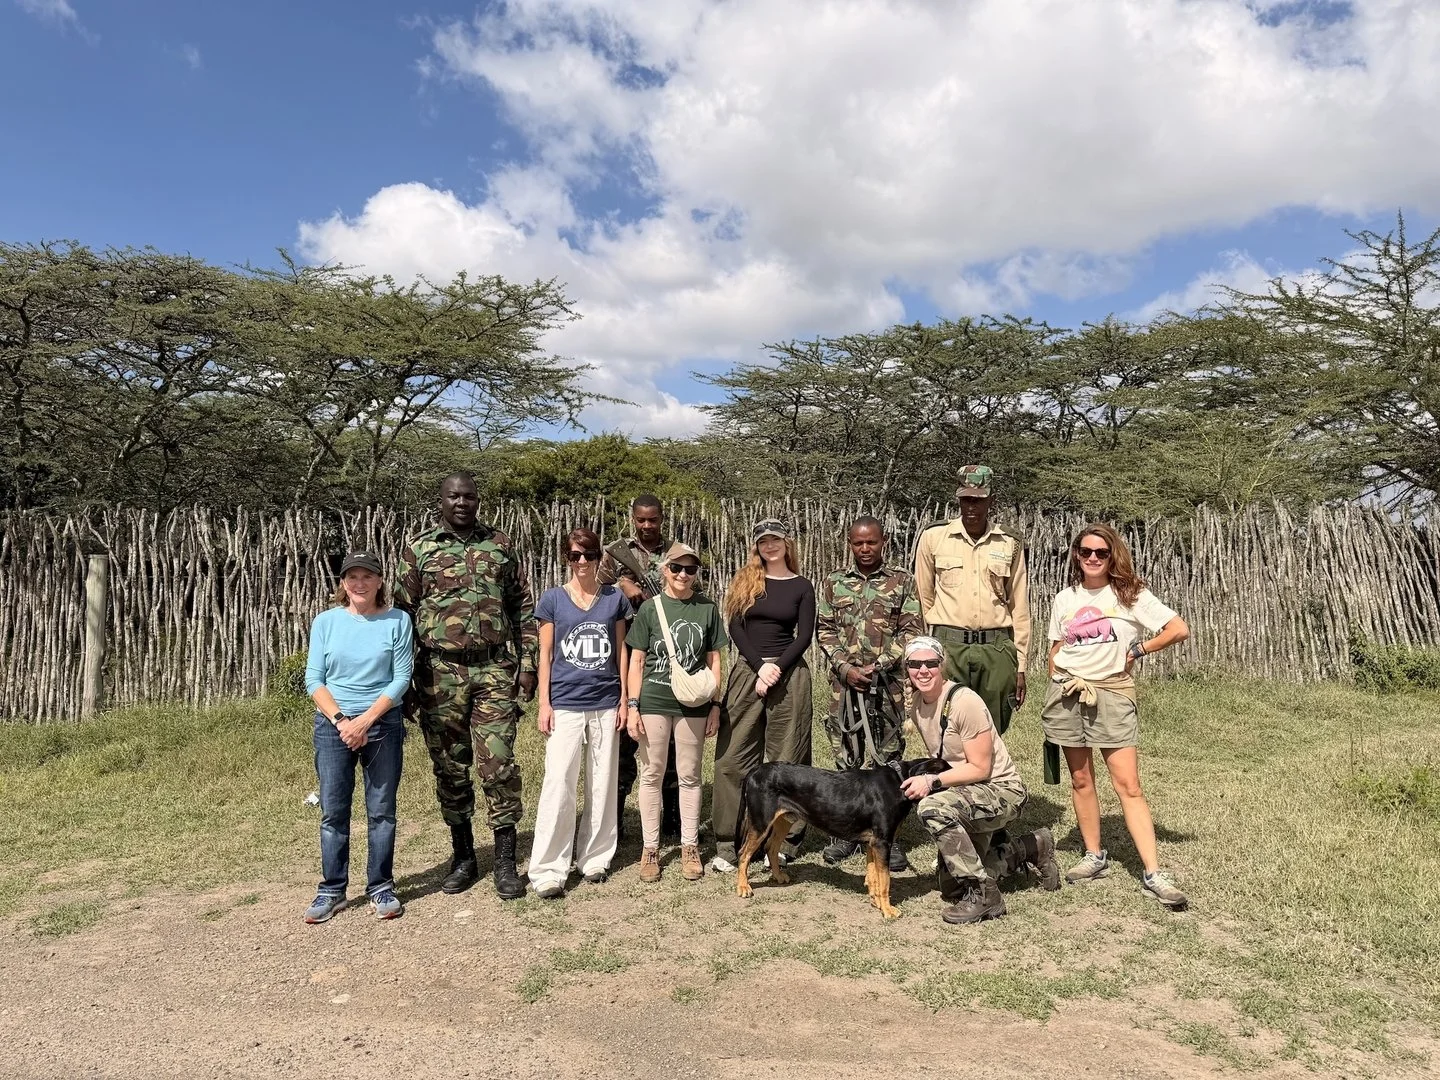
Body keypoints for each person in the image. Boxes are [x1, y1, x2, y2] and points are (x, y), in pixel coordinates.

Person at [393, 472, 538, 902]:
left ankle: (506, 861)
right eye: (454, 496)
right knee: (450, 768)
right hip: (439, 673)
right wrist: (406, 681)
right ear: (441, 500)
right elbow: (401, 617)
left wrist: (527, 665)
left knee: (499, 765)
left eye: (469, 496)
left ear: (478, 500)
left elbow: (522, 607)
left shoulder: (501, 545)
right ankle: (463, 857)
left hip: (495, 669)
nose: (462, 502)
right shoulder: (419, 549)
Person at [1043, 524, 1191, 909]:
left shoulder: (1131, 595)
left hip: (1112, 692)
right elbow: (1056, 646)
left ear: (1113, 556)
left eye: (1101, 553)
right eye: (1085, 551)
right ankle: (1094, 855)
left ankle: (1154, 872)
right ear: (1076, 554)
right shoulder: (1064, 598)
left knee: (1128, 784)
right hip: (1067, 692)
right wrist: (1055, 673)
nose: (1093, 558)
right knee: (1079, 778)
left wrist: (1139, 649)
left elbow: (1178, 629)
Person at [899, 636, 1060, 924]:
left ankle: (985, 896)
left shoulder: (964, 702)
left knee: (932, 808)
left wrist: (931, 782)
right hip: (966, 793)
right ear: (907, 668)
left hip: (1001, 790)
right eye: (914, 664)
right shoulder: (918, 706)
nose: (923, 670)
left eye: (931, 663)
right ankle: (1031, 847)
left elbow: (980, 769)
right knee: (950, 888)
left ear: (942, 666)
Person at [303, 551, 415, 923]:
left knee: (382, 811)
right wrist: (341, 721)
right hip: (333, 726)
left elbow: (401, 678)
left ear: (381, 581)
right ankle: (332, 889)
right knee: (333, 810)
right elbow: (314, 679)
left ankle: (381, 886)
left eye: (368, 576)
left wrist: (364, 721)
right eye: (352, 577)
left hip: (381, 724)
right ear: (343, 583)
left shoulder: (398, 621)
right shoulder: (326, 622)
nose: (360, 583)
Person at [815, 516, 924, 871]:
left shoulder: (902, 581)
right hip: (844, 689)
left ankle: (886, 838)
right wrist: (845, 667)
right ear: (849, 543)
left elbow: (912, 631)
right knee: (847, 761)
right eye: (858, 543)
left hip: (887, 687)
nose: (865, 549)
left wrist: (880, 665)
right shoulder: (835, 582)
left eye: (871, 543)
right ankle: (844, 835)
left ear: (883, 541)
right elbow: (825, 629)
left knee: (888, 763)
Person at [527, 528, 631, 899]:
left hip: (605, 701)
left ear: (599, 557)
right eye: (575, 556)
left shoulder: (614, 599)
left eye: (588, 555)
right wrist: (544, 703)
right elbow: (544, 655)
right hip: (566, 703)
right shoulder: (553, 599)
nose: (582, 562)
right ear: (566, 559)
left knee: (602, 783)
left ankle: (595, 857)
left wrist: (623, 699)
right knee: (559, 784)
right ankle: (548, 868)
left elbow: (621, 651)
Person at [710, 519, 816, 873]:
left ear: (787, 544)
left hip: (790, 674)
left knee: (788, 761)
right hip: (748, 672)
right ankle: (729, 841)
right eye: (763, 541)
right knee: (732, 759)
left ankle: (783, 841)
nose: (770, 546)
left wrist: (777, 669)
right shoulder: (745, 580)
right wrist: (759, 667)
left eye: (776, 540)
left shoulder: (802, 586)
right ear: (756, 546)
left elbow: (804, 636)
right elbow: (735, 627)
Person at [624, 542, 727, 883]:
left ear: (697, 573)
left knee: (689, 774)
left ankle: (689, 846)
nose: (683, 575)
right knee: (652, 773)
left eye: (690, 569)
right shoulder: (651, 610)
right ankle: (650, 848)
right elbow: (637, 661)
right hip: (654, 699)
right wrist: (633, 705)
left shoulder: (707, 609)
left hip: (693, 704)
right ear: (664, 570)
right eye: (677, 568)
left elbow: (715, 661)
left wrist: (715, 704)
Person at [914, 464, 1030, 736]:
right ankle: (952, 780)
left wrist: (1020, 665)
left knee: (992, 730)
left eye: (978, 500)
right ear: (958, 499)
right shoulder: (934, 537)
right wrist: (924, 654)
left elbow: (1020, 607)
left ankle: (988, 779)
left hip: (996, 649)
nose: (971, 507)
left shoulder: (1008, 542)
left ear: (991, 501)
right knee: (947, 727)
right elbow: (923, 599)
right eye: (966, 499)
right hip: (949, 647)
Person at [598, 494, 682, 840]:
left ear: (663, 518)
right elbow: (596, 592)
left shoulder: (678, 551)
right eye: (641, 520)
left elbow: (694, 588)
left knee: (673, 746)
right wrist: (623, 584)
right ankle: (614, 825)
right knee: (623, 745)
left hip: (670, 657)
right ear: (633, 519)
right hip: (630, 655)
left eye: (653, 520)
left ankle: (676, 824)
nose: (647, 526)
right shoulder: (616, 553)